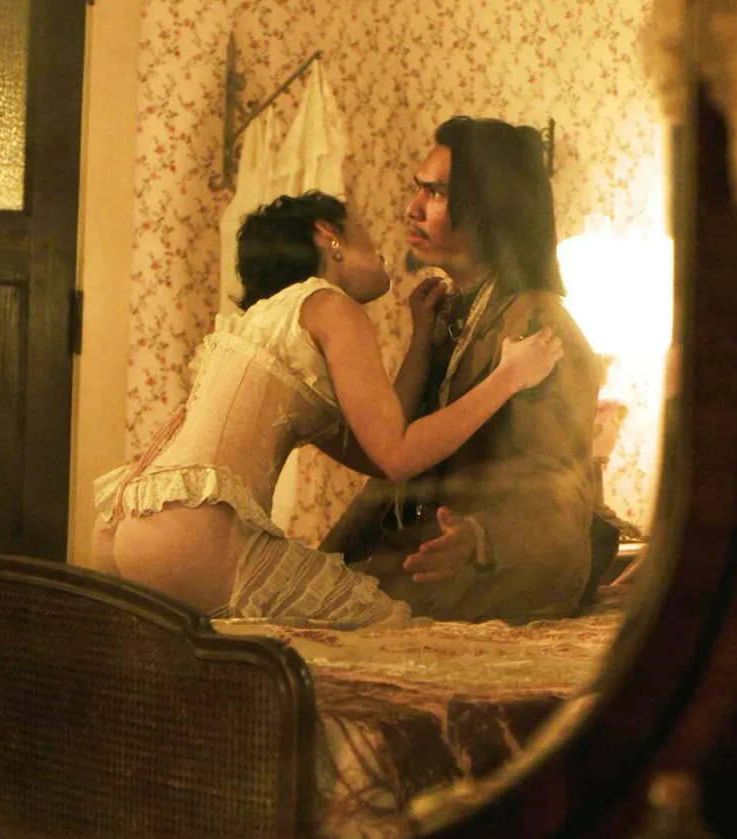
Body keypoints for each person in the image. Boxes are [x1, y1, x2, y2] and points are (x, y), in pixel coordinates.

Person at [83, 191, 564, 627]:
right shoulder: (329, 304)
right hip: (192, 530)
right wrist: (510, 377)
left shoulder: (267, 324)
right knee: (394, 629)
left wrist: (421, 337)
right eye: (366, 232)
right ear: (328, 235)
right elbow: (399, 457)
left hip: (126, 523)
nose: (382, 248)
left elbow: (378, 450)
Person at [320, 117, 614, 623]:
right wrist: (328, 558)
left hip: (509, 574)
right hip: (434, 555)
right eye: (419, 189)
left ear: (491, 208)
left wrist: (481, 538)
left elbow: (563, 494)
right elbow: (397, 460)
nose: (412, 208)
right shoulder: (449, 313)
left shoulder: (540, 329)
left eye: (435, 193)